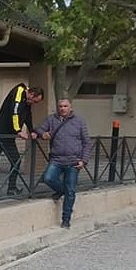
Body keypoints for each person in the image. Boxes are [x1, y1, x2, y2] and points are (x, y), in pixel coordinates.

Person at [32, 98, 92, 229]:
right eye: (60, 106)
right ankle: (62, 190)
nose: (62, 108)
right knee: (48, 178)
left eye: (65, 106)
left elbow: (87, 142)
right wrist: (43, 134)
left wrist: (84, 160)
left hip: (74, 161)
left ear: (70, 107)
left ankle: (66, 219)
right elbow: (39, 129)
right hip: (56, 159)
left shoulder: (79, 121)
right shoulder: (51, 119)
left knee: (70, 190)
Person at [0, 83, 45, 196]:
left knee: (16, 160)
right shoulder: (18, 92)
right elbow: (14, 112)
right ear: (31, 94)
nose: (34, 104)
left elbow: (28, 115)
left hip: (9, 136)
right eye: (35, 101)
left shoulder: (27, 102)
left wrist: (31, 130)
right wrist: (18, 130)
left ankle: (11, 188)